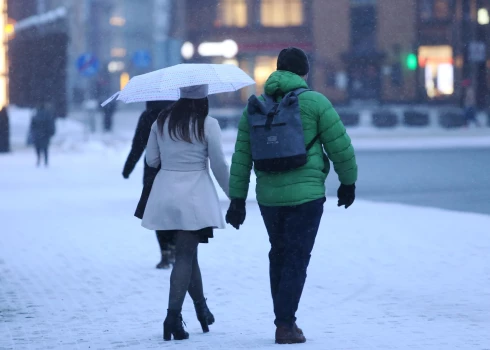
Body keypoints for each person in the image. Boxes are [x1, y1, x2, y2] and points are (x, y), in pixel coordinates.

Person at [226, 47, 358, 344]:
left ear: (277, 71)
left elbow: (241, 156)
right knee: (297, 258)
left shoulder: (257, 106)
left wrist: (237, 200)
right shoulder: (314, 102)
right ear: (304, 73)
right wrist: (347, 182)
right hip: (307, 195)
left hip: (269, 198)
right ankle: (285, 324)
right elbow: (341, 146)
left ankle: (283, 320)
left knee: (280, 254)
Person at [142, 84, 229, 341]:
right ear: (204, 99)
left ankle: (202, 310)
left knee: (188, 255)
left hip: (166, 194)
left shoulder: (161, 121)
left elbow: (151, 161)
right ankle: (172, 317)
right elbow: (218, 164)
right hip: (194, 198)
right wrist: (233, 194)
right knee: (184, 257)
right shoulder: (208, 124)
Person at [123, 100, 176, 269]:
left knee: (157, 212)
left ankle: (165, 253)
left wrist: (128, 168)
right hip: (175, 169)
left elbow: (137, 145)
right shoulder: (176, 116)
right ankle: (174, 246)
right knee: (174, 210)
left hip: (152, 171)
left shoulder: (147, 116)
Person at [29, 103, 56, 167]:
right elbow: (51, 124)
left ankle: (38, 159)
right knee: (45, 148)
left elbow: (32, 126)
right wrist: (51, 132)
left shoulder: (35, 115)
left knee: (38, 148)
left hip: (37, 134)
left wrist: (33, 133)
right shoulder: (48, 114)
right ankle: (45, 161)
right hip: (45, 134)